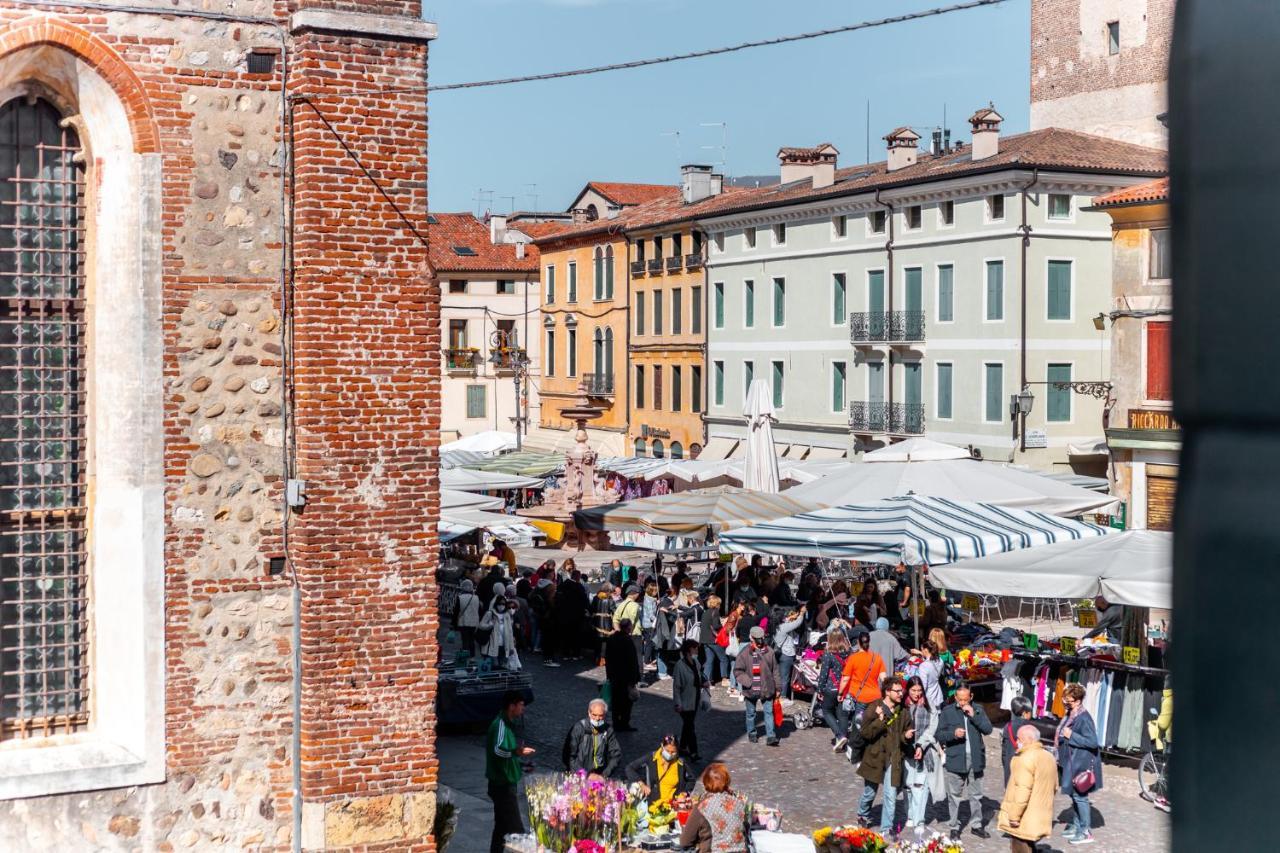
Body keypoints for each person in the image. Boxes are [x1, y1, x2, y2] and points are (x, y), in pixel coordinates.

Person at [937, 686, 994, 840]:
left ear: (971, 696)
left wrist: (974, 715)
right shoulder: (948, 711)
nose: (962, 702)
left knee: (976, 794)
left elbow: (988, 729)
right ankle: (954, 827)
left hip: (975, 759)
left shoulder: (978, 709)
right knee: (954, 795)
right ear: (955, 697)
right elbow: (939, 734)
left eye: (965, 699)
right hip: (956, 758)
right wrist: (953, 734)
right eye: (960, 699)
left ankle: (976, 825)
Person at [857, 678, 911, 838]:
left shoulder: (903, 711)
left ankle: (886, 828)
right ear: (888, 692)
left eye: (901, 691)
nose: (901, 694)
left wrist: (906, 736)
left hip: (893, 758)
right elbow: (865, 733)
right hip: (875, 757)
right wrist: (880, 721)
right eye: (897, 691)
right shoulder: (875, 707)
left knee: (891, 795)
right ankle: (863, 814)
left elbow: (904, 733)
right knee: (869, 792)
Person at [486, 690, 535, 853]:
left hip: (504, 782)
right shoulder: (500, 724)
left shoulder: (506, 724)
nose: (523, 708)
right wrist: (516, 752)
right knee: (517, 830)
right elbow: (497, 751)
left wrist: (519, 763)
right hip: (503, 785)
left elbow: (505, 755)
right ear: (511, 706)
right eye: (521, 705)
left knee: (501, 828)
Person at [998, 725, 1059, 853]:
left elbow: (1022, 790)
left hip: (1025, 815)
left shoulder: (1025, 758)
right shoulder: (1048, 757)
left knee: (1020, 846)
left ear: (1029, 740)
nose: (1017, 742)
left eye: (1019, 739)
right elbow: (1054, 786)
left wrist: (1014, 816)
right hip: (1039, 813)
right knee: (1030, 845)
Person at [1056, 681, 1102, 845]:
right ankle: (1076, 826)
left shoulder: (1083, 717)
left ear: (1077, 700)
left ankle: (1085, 831)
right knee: (1075, 796)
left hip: (1080, 763)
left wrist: (1071, 736)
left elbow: (1092, 742)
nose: (1064, 702)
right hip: (1072, 761)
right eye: (1064, 699)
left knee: (1080, 797)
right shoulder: (1071, 713)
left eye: (1068, 700)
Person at [679, 762, 751, 852]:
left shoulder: (702, 807)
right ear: (727, 781)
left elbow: (685, 841)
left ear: (705, 782)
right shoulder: (739, 802)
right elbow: (746, 829)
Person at [838, 631, 887, 760]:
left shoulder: (853, 658)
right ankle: (868, 749)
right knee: (872, 723)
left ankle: (854, 749)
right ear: (868, 642)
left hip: (859, 698)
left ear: (858, 642)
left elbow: (845, 679)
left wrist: (840, 693)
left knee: (858, 724)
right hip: (875, 698)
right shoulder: (877, 658)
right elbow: (884, 678)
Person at [902, 675, 940, 834]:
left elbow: (932, 728)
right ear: (908, 690)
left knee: (921, 786)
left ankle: (920, 819)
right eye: (913, 690)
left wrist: (920, 745)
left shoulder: (929, 705)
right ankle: (910, 815)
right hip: (905, 750)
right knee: (908, 786)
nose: (917, 694)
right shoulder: (902, 705)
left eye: (919, 690)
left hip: (925, 751)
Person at [733, 626, 779, 746]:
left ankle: (771, 736)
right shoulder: (744, 653)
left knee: (769, 712)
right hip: (751, 689)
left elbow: (775, 671)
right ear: (751, 638)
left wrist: (778, 687)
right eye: (757, 639)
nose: (759, 641)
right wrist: (748, 682)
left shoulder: (769, 651)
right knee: (751, 713)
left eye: (761, 638)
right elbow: (738, 671)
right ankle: (752, 732)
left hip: (766, 688)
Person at [626, 734, 696, 806]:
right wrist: (642, 784)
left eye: (673, 752)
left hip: (673, 806)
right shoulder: (651, 757)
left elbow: (691, 779)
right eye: (667, 751)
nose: (670, 754)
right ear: (662, 746)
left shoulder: (681, 763)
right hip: (652, 805)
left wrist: (685, 792)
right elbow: (629, 768)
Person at [561, 698, 622, 778]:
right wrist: (585, 775)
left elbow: (616, 755)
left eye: (600, 716)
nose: (597, 718)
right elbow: (569, 756)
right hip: (579, 775)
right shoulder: (579, 728)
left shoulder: (608, 730)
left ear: (605, 715)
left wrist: (604, 774)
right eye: (594, 715)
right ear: (589, 713)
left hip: (599, 774)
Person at [817, 630, 854, 751]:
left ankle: (840, 735)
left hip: (831, 687)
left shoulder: (828, 654)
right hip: (845, 688)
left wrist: (820, 690)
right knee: (843, 715)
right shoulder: (850, 653)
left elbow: (824, 674)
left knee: (826, 711)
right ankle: (842, 742)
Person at [604, 618, 641, 731]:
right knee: (626, 703)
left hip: (614, 676)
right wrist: (635, 678)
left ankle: (616, 723)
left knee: (616, 701)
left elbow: (607, 658)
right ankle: (624, 723)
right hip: (626, 677)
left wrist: (609, 674)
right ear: (629, 627)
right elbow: (633, 661)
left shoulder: (612, 639)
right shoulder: (627, 640)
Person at [672, 639, 705, 760]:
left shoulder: (696, 662)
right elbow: (676, 687)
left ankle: (682, 747)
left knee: (687, 725)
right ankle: (694, 752)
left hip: (694, 699)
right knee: (690, 726)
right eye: (695, 648)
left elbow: (698, 678)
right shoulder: (680, 666)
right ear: (689, 650)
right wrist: (678, 703)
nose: (697, 650)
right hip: (684, 701)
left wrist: (703, 683)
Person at [478, 583, 517, 671]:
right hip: (493, 644)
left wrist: (511, 647)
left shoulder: (507, 615)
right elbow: (481, 625)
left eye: (503, 604)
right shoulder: (490, 613)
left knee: (501, 666)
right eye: (499, 604)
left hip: (504, 645)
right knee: (495, 665)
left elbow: (510, 632)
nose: (501, 605)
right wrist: (490, 625)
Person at [774, 607, 805, 702]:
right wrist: (802, 613)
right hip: (786, 654)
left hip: (778, 653)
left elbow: (789, 621)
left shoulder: (777, 625)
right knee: (785, 677)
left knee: (778, 675)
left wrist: (793, 616)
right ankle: (782, 697)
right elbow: (797, 623)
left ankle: (776, 694)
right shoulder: (783, 627)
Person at [1002, 696, 1035, 784]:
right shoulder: (1029, 728)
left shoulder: (1007, 726)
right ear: (1024, 713)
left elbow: (1004, 752)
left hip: (1010, 766)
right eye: (1030, 712)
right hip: (1025, 768)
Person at [699, 594, 728, 686]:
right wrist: (722, 624)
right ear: (716, 604)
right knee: (724, 659)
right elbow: (716, 626)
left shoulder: (705, 612)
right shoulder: (715, 612)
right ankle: (724, 679)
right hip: (713, 640)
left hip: (704, 640)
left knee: (709, 660)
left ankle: (706, 681)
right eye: (719, 603)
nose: (720, 605)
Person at [452, 578, 481, 659]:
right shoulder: (476, 598)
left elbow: (456, 612)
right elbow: (479, 611)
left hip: (463, 622)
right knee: (472, 640)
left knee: (465, 640)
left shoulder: (460, 598)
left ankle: (464, 657)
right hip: (474, 623)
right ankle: (472, 657)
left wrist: (453, 624)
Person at [592, 582, 617, 666]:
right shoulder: (610, 599)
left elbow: (591, 608)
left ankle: (596, 657)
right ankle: (603, 659)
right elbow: (614, 610)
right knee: (605, 642)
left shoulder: (596, 597)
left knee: (597, 640)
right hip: (607, 623)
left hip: (597, 622)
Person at [640, 580, 660, 671]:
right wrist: (657, 619)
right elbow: (650, 614)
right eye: (656, 591)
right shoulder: (649, 600)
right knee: (649, 643)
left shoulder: (649, 598)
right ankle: (646, 661)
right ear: (651, 591)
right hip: (649, 625)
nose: (657, 593)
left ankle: (649, 660)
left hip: (647, 624)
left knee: (650, 642)